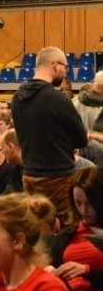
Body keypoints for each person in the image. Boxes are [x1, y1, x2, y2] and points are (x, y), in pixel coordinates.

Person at [12, 47, 87, 224]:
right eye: (65, 67)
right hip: (58, 177)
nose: (65, 72)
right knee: (64, 230)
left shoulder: (17, 97)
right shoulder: (57, 98)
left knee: (37, 228)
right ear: (55, 66)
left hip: (29, 174)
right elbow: (81, 139)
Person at [47, 167, 103, 291]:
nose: (83, 210)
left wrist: (87, 270)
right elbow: (53, 267)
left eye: (89, 204)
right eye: (78, 203)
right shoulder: (66, 235)